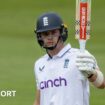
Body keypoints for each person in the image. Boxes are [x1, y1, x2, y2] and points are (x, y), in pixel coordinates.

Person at [33, 12, 105, 105]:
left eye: (54, 32)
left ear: (61, 32)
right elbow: (39, 101)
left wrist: (91, 74)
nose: (50, 37)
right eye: (46, 34)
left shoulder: (80, 56)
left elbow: (102, 84)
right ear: (40, 37)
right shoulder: (39, 64)